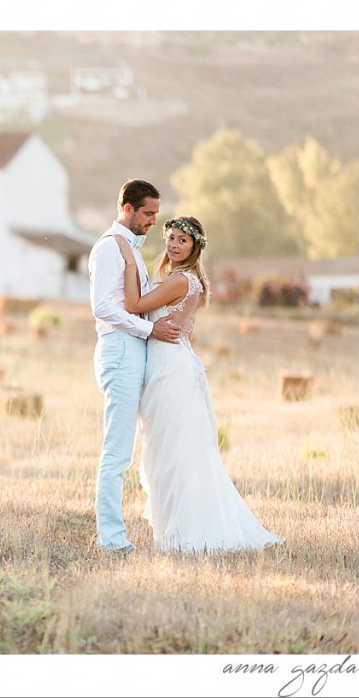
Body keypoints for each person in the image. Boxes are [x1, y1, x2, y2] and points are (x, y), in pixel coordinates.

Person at [114, 215, 285, 553]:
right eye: (171, 237)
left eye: (182, 240)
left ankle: (188, 532)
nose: (173, 244)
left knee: (173, 450)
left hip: (170, 369)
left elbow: (133, 305)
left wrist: (128, 257)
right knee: (169, 448)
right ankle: (176, 529)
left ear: (194, 248)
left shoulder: (181, 280)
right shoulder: (180, 279)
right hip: (169, 363)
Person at [88, 179, 182, 553]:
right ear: (127, 208)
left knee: (139, 445)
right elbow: (103, 307)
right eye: (148, 213)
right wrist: (149, 328)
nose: (153, 222)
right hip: (121, 350)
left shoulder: (131, 249)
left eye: (157, 215)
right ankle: (111, 540)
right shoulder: (110, 248)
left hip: (134, 349)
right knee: (117, 450)